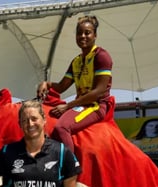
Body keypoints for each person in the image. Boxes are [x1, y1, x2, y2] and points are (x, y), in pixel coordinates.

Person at [36, 15, 112, 153]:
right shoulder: (76, 61)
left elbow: (99, 91)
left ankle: (71, 170)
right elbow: (61, 86)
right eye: (79, 33)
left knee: (61, 127)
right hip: (80, 105)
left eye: (87, 33)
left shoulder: (102, 56)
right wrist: (46, 84)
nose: (82, 36)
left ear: (95, 35)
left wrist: (68, 106)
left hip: (95, 106)